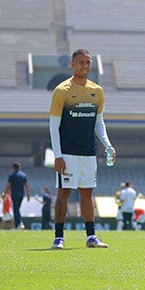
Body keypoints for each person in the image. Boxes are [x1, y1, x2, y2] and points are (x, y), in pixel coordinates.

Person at [49, 48, 114, 249]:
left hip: (88, 153)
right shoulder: (62, 91)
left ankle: (91, 236)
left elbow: (99, 122)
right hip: (67, 153)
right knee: (64, 194)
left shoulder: (97, 91)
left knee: (87, 194)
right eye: (81, 62)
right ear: (73, 64)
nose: (85, 66)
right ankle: (59, 237)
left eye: (88, 62)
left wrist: (107, 144)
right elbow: (53, 125)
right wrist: (58, 155)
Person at [5, 161, 30, 230]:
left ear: (13, 168)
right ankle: (19, 223)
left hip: (14, 194)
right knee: (17, 208)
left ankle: (18, 224)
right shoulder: (23, 175)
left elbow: (8, 186)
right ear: (20, 167)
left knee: (15, 209)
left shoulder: (12, 175)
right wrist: (28, 195)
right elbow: (27, 185)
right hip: (21, 194)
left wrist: (5, 193)